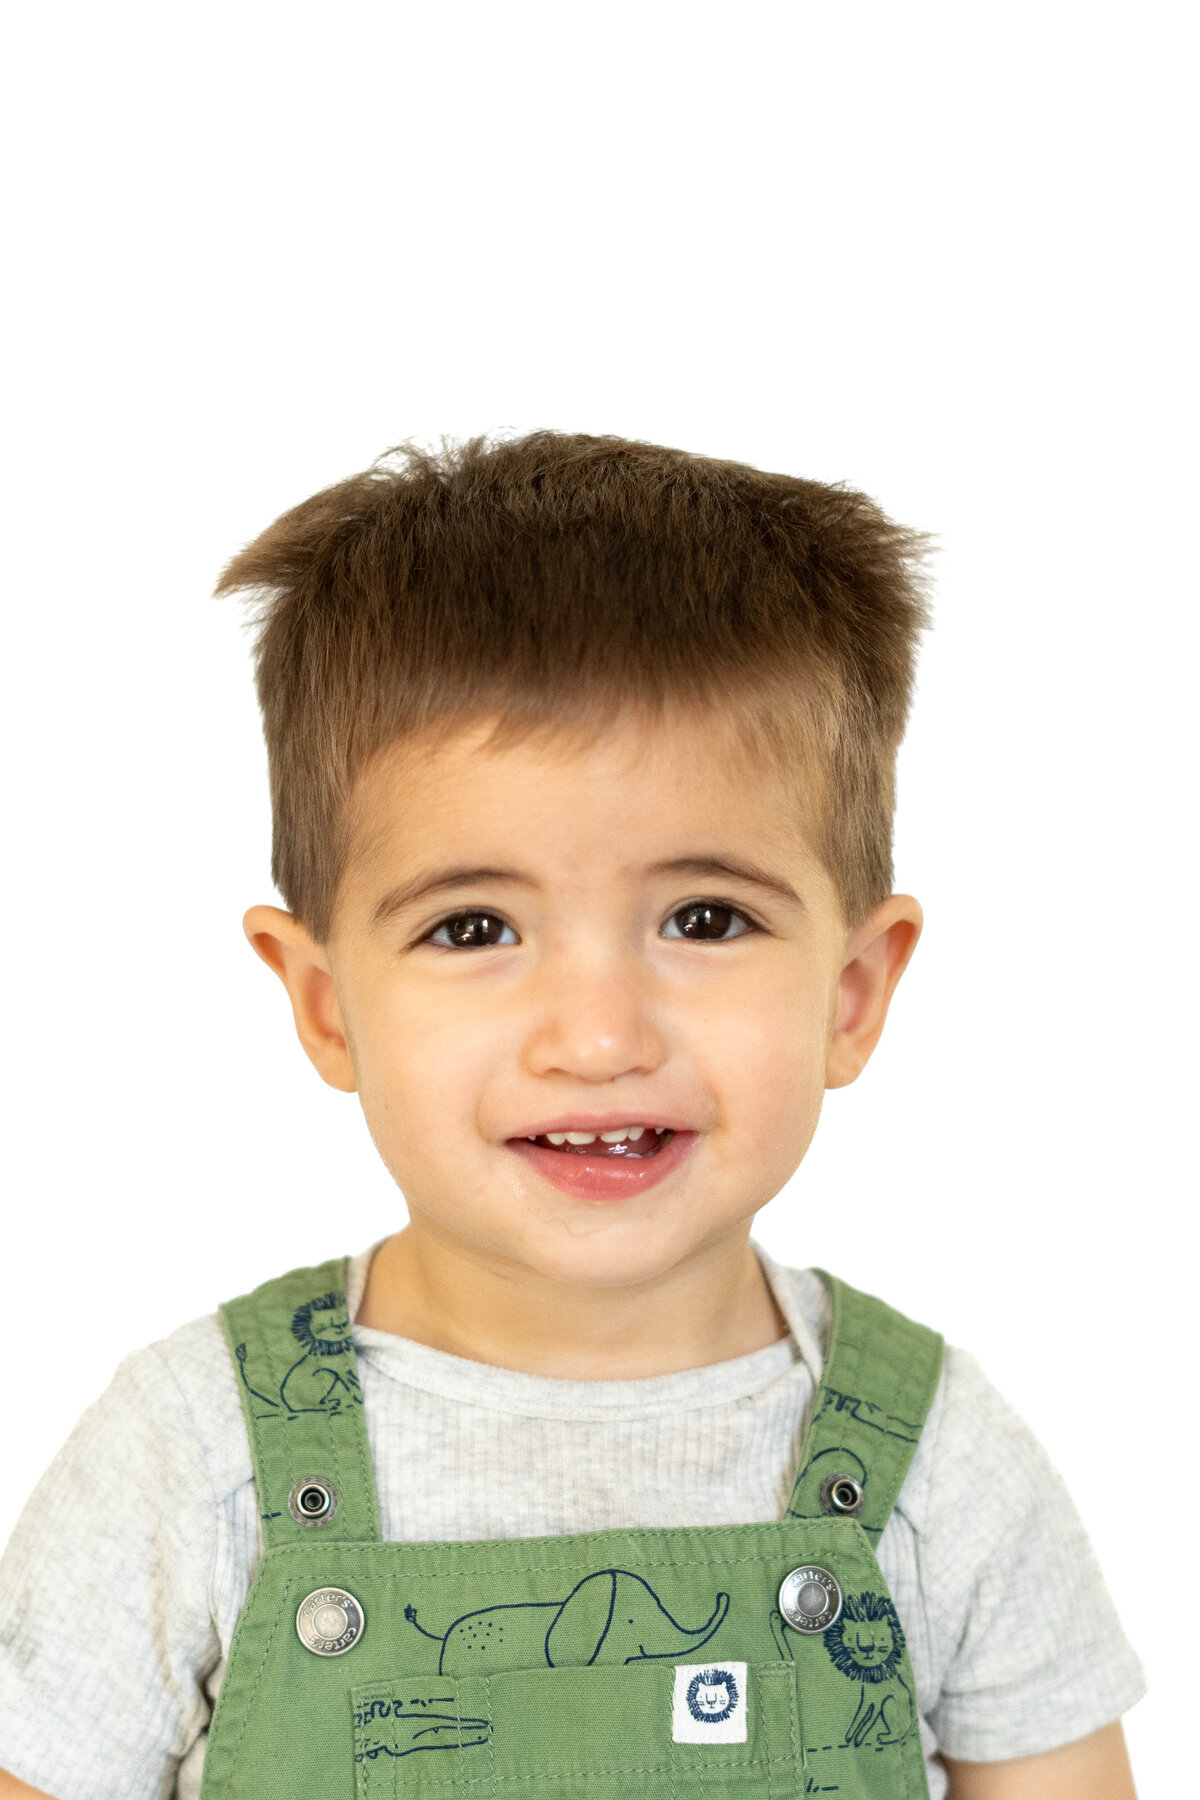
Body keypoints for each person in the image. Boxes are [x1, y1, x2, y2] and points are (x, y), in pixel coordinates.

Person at [0, 434, 1145, 1800]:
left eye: (704, 918)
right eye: (474, 926)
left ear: (850, 993)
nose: (599, 1037)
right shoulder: (194, 1458)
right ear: (322, 1004)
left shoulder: (942, 1466)